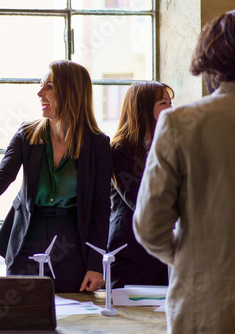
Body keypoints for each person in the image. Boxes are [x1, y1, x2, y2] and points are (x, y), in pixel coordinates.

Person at [0, 60, 111, 293]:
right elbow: (2, 177)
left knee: (70, 314)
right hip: (26, 236)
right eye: (41, 85)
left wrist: (96, 265)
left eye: (49, 86)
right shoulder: (27, 134)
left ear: (71, 92)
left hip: (71, 242)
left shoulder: (98, 144)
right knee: (21, 311)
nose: (39, 92)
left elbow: (101, 208)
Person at [133, 10, 235, 333]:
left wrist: (190, 259)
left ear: (211, 59)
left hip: (204, 307)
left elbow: (149, 226)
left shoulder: (180, 124)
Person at [108, 81, 174, 288]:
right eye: (163, 103)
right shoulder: (121, 149)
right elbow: (138, 201)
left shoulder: (169, 144)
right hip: (130, 253)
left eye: (171, 103)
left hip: (162, 251)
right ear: (142, 108)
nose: (171, 109)